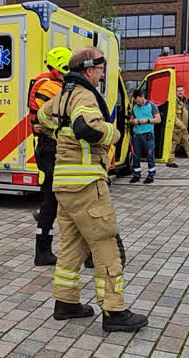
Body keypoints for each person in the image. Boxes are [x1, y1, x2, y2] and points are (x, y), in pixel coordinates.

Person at [38, 47, 147, 333]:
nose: (102, 74)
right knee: (105, 244)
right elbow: (86, 127)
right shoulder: (85, 95)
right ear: (89, 69)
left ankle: (66, 302)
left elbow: (42, 118)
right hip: (87, 184)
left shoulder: (62, 95)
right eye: (101, 69)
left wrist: (61, 135)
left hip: (64, 184)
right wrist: (114, 133)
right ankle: (114, 311)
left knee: (72, 245)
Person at [29, 46, 73, 266]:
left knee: (51, 202)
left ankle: (43, 251)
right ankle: (44, 250)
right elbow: (59, 116)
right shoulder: (49, 87)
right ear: (57, 68)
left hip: (50, 148)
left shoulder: (54, 84)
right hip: (51, 149)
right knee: (59, 200)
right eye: (66, 70)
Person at [165, 85, 189, 167]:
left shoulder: (186, 100)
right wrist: (180, 124)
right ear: (175, 92)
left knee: (187, 143)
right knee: (173, 145)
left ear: (184, 91)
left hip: (184, 129)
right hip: (177, 129)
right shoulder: (174, 101)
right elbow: (172, 116)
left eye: (181, 90)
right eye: (178, 91)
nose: (180, 92)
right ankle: (169, 161)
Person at [128, 89, 161, 184]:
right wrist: (132, 121)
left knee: (150, 155)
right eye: (136, 101)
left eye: (138, 100)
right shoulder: (134, 107)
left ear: (142, 97)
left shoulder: (151, 106)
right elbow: (131, 119)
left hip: (148, 135)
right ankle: (136, 175)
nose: (137, 102)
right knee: (135, 156)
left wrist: (147, 120)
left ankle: (151, 176)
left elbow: (158, 119)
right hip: (136, 134)